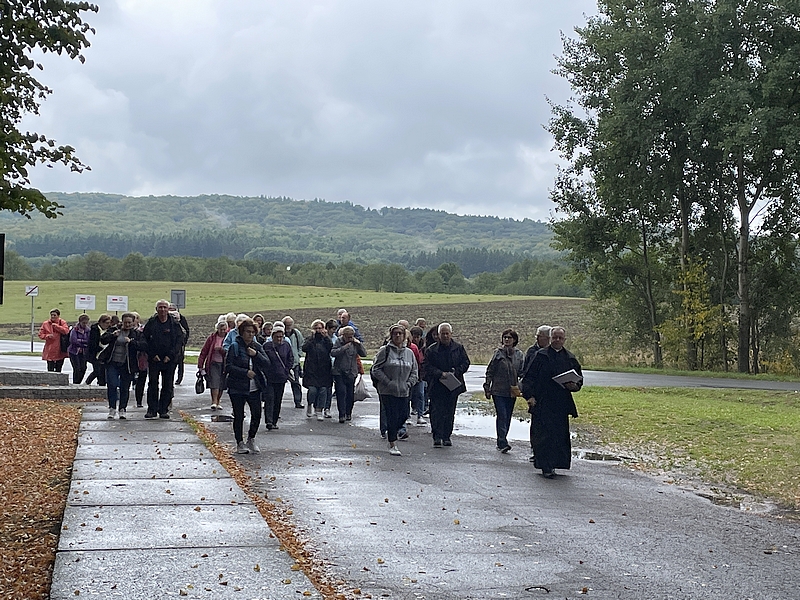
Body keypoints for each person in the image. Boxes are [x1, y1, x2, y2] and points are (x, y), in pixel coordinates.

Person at [521, 326, 582, 478]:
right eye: (555, 337)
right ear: (550, 338)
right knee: (543, 436)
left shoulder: (569, 358)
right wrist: (529, 396)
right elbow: (528, 378)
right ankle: (545, 466)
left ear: (564, 340)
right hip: (542, 401)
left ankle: (555, 464)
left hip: (560, 403)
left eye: (560, 338)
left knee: (558, 436)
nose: (557, 340)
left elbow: (579, 380)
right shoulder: (540, 356)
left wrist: (574, 386)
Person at [371, 324, 419, 456]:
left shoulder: (409, 353)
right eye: (395, 333)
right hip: (387, 391)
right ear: (391, 336)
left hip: (404, 390)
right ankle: (392, 443)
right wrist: (388, 382)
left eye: (400, 333)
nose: (397, 336)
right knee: (392, 415)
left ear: (404, 336)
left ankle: (392, 431)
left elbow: (414, 371)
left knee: (403, 415)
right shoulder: (385, 351)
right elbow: (376, 369)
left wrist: (409, 384)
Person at [225, 317, 269, 454]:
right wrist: (245, 373)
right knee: (239, 416)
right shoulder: (234, 346)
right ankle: (239, 442)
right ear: (242, 332)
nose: (250, 334)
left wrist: (256, 355)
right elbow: (228, 367)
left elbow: (267, 363)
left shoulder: (257, 347)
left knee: (257, 414)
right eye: (247, 331)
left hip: (254, 387)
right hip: (237, 387)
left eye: (252, 332)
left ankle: (251, 438)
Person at [424, 322, 470, 448]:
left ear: (451, 334)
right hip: (437, 385)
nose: (445, 336)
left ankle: (446, 436)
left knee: (449, 412)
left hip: (453, 385)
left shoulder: (458, 348)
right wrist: (440, 374)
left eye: (447, 333)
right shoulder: (431, 350)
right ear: (438, 335)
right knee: (436, 412)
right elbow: (426, 366)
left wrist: (456, 371)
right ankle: (437, 436)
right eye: (442, 334)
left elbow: (466, 363)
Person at [483, 329, 524, 453]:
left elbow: (523, 373)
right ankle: (502, 442)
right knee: (502, 415)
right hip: (498, 390)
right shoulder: (498, 354)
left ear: (514, 340)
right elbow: (490, 371)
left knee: (508, 416)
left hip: (512, 391)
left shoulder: (519, 355)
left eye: (509, 337)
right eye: (505, 337)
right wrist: (487, 387)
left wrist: (521, 387)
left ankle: (503, 438)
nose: (506, 339)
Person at [99, 312, 145, 420]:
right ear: (122, 322)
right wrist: (113, 335)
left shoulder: (136, 334)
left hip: (127, 364)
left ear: (133, 322)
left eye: (129, 323)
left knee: (125, 387)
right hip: (112, 362)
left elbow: (143, 346)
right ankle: (112, 408)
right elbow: (103, 339)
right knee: (112, 385)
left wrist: (131, 342)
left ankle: (122, 409)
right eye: (125, 322)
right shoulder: (114, 330)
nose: (127, 325)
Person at [142, 299, 184, 419]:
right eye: (160, 307)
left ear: (168, 309)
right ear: (156, 309)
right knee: (152, 384)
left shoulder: (174, 324)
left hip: (169, 360)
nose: (162, 310)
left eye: (165, 307)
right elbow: (144, 339)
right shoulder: (151, 323)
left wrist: (170, 356)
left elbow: (179, 341)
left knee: (167, 385)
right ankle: (152, 410)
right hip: (154, 359)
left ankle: (163, 410)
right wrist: (152, 354)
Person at [521, 325, 552, 462]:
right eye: (537, 336)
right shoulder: (532, 351)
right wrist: (528, 394)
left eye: (540, 336)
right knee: (536, 425)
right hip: (535, 394)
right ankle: (535, 451)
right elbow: (526, 373)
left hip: (549, 395)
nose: (537, 339)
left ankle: (547, 451)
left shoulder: (553, 352)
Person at [330, 325, 366, 423]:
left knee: (350, 394)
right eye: (348, 337)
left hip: (351, 372)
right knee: (341, 392)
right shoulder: (338, 341)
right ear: (344, 336)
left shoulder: (355, 343)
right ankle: (341, 414)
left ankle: (348, 412)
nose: (350, 339)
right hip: (339, 372)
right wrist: (344, 348)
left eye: (351, 336)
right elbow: (333, 352)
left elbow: (364, 354)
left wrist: (359, 345)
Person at [262, 322, 294, 429]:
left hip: (281, 377)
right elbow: (263, 360)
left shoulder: (286, 346)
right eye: (277, 337)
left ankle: (274, 421)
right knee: (270, 399)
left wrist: (286, 370)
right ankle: (269, 421)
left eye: (281, 337)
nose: (279, 339)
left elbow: (290, 359)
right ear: (273, 337)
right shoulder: (267, 346)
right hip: (270, 377)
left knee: (278, 399)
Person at [302, 319, 333, 421]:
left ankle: (319, 410)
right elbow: (304, 348)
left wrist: (326, 337)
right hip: (311, 369)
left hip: (324, 369)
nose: (318, 330)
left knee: (323, 390)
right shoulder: (309, 339)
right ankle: (310, 404)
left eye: (320, 328)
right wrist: (312, 337)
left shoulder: (326, 340)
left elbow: (331, 348)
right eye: (316, 328)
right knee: (312, 390)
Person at [198, 318, 229, 410]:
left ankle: (218, 401)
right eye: (221, 329)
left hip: (224, 364)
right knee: (214, 382)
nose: (222, 331)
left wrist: (222, 350)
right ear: (217, 329)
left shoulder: (228, 338)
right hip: (213, 363)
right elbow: (204, 351)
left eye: (224, 329)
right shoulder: (211, 338)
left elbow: (229, 351)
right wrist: (200, 365)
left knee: (222, 383)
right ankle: (214, 401)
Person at [282, 316, 305, 409]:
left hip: (294, 363)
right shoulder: (281, 334)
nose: (288, 327)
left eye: (290, 325)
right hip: (282, 364)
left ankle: (298, 401)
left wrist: (298, 355)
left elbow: (301, 345)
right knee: (279, 384)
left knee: (296, 382)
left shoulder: (296, 333)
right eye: (286, 325)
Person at [86, 314, 111, 385]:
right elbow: (92, 343)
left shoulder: (109, 330)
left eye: (109, 323)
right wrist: (100, 348)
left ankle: (89, 383)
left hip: (105, 355)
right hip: (96, 354)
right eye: (106, 323)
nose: (108, 325)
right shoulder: (95, 330)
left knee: (102, 372)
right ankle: (88, 383)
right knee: (97, 371)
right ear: (101, 322)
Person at [409, 326, 427, 425]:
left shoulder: (424, 348)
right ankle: (407, 416)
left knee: (420, 394)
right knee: (409, 395)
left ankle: (420, 415)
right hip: (410, 375)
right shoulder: (409, 347)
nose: (416, 339)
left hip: (420, 375)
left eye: (418, 337)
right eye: (414, 337)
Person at [169, 303, 190, 385]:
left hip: (180, 345)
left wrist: (184, 342)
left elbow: (186, 330)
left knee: (180, 361)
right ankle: (171, 379)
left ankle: (179, 378)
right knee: (172, 362)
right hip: (170, 344)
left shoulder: (181, 318)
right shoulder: (167, 318)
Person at [67, 314, 91, 384]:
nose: (85, 324)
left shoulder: (88, 330)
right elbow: (73, 340)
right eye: (83, 323)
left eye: (86, 323)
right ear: (80, 322)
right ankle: (75, 383)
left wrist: (81, 341)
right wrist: (83, 342)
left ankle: (78, 382)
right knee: (77, 368)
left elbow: (89, 340)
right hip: (74, 351)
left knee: (83, 368)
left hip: (83, 352)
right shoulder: (75, 330)